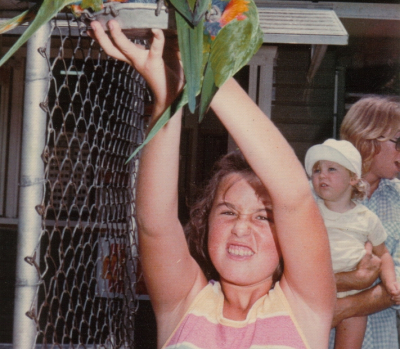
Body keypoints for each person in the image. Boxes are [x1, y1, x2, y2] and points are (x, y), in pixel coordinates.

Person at [89, 20, 336, 349]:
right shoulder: (184, 303)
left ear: (289, 237)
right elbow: (155, 224)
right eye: (228, 212)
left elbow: (294, 195)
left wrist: (201, 62)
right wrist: (168, 100)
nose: (241, 228)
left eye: (263, 216)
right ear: (205, 223)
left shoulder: (306, 307)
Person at [305, 138, 400, 349]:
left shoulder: (366, 217)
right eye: (317, 170)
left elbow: (383, 253)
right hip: (315, 297)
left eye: (331, 169)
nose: (322, 175)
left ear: (353, 178)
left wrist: (391, 282)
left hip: (356, 300)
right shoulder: (309, 211)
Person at [330, 96, 400, 349]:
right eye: (399, 141)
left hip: (382, 340)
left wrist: (341, 309)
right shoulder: (314, 196)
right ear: (368, 139)